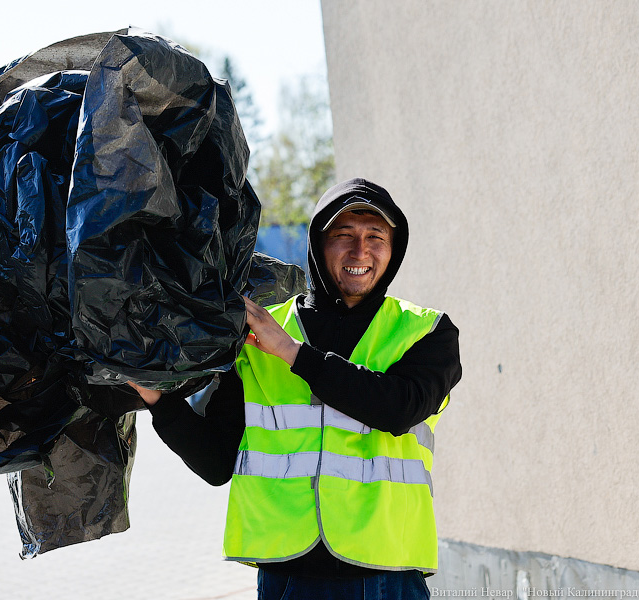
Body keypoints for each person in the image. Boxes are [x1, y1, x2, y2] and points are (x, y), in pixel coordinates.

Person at [129, 177, 462, 600]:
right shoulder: (258, 335)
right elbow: (216, 462)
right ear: (318, 245)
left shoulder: (426, 331)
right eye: (344, 235)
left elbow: (398, 408)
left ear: (394, 249)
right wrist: (159, 401)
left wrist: (292, 353)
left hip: (386, 571)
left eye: (375, 237)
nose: (360, 251)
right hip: (286, 574)